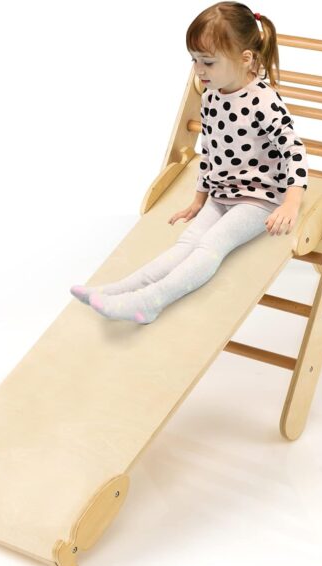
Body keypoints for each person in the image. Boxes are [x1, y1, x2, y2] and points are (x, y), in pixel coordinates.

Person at [70, 1, 309, 324]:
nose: (198, 70)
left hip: (259, 199)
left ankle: (149, 303)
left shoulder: (264, 101)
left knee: (210, 245)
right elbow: (210, 150)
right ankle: (118, 290)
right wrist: (199, 200)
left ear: (245, 59)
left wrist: (291, 203)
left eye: (208, 62)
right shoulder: (211, 96)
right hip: (222, 194)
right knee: (186, 243)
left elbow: (294, 149)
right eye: (194, 60)